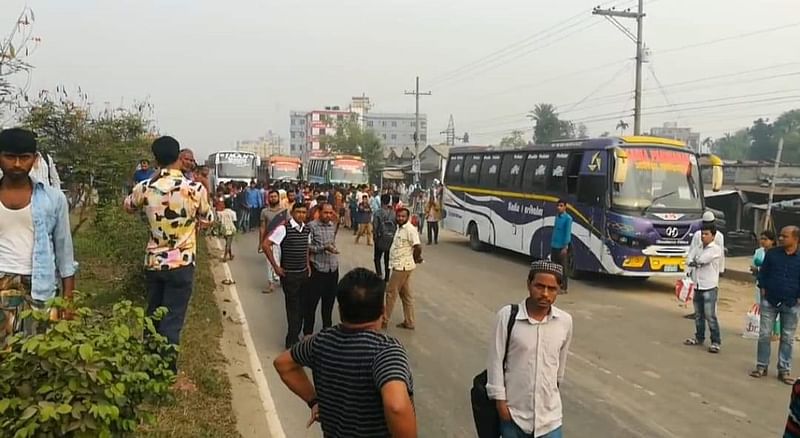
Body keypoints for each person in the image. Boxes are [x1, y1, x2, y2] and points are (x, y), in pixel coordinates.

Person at [273, 268, 416, 438]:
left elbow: (283, 364)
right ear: (383, 311)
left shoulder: (321, 341)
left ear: (340, 310)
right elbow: (396, 406)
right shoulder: (386, 352)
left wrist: (314, 401)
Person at [124, 136, 212, 371]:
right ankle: (165, 369)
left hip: (154, 262)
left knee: (152, 315)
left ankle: (148, 363)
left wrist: (151, 180)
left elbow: (128, 207)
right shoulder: (194, 189)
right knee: (172, 319)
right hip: (182, 263)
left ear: (155, 159)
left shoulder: (145, 187)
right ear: (178, 158)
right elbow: (209, 218)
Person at [0, 128, 76, 347]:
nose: (16, 164)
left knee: (38, 356)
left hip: (40, 286)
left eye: (23, 158)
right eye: (9, 157)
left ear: (34, 159)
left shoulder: (53, 198)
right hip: (3, 282)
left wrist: (67, 301)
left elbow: (64, 252)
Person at [486, 260, 572, 438]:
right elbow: (495, 361)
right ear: (528, 284)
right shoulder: (508, 316)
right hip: (514, 416)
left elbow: (559, 368)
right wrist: (501, 403)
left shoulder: (565, 321)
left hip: (550, 419)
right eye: (539, 286)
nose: (545, 294)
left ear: (559, 290)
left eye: (552, 288)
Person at [751, 226, 800, 385]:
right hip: (770, 301)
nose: (780, 238)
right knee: (764, 334)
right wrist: (763, 289)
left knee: (787, 338)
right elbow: (763, 274)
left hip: (791, 303)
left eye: (784, 236)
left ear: (795, 239)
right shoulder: (772, 254)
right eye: (780, 235)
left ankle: (784, 370)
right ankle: (761, 366)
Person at [263, 202, 311, 349]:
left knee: (303, 307)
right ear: (293, 212)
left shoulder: (306, 229)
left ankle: (295, 336)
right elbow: (266, 244)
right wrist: (276, 267)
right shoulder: (284, 229)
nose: (301, 215)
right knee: (293, 308)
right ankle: (291, 340)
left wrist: (307, 264)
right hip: (289, 275)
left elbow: (306, 247)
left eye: (304, 212)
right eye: (298, 212)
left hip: (303, 273)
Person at [682, 225, 724, 353]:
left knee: (710, 316)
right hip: (698, 285)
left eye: (706, 234)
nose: (703, 236)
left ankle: (716, 341)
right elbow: (689, 259)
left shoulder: (716, 249)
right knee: (699, 315)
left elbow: (702, 260)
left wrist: (695, 261)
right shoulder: (698, 247)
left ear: (713, 235)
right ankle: (699, 337)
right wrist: (694, 262)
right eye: (702, 234)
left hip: (709, 286)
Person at [383, 208, 422, 330]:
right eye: (398, 216)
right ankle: (409, 321)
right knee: (406, 295)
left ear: (407, 217)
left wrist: (415, 258)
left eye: (403, 216)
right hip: (400, 265)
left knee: (390, 293)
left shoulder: (410, 230)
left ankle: (384, 321)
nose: (400, 218)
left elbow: (418, 247)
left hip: (402, 267)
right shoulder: (399, 228)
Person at [304, 203, 340, 335]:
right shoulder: (311, 227)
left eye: (331, 213)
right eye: (326, 213)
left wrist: (332, 249)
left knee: (329, 304)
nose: (329, 215)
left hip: (332, 269)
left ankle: (327, 333)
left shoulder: (332, 226)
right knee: (311, 304)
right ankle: (308, 333)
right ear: (319, 212)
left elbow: (332, 241)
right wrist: (323, 248)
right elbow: (307, 247)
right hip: (317, 270)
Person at [684, 211, 726, 319]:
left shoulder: (700, 234)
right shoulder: (716, 235)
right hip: (707, 268)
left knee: (707, 291)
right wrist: (721, 269)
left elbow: (692, 252)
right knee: (704, 291)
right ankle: (703, 313)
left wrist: (688, 268)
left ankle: (703, 313)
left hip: (707, 266)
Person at [752, 230, 780, 340]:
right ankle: (765, 331)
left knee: (775, 307)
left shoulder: (777, 253)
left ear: (772, 241)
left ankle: (776, 332)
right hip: (761, 283)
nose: (762, 241)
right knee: (762, 307)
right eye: (761, 238)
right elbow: (754, 266)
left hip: (774, 284)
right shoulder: (758, 252)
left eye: (765, 239)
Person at [260, 189, 286, 294]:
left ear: (278, 198)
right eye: (271, 197)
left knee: (282, 260)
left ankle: (281, 279)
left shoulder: (284, 211)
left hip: (282, 241)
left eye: (275, 196)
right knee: (270, 262)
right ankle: (270, 283)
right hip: (269, 240)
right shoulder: (264, 212)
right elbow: (262, 227)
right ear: (268, 198)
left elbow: (287, 225)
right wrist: (261, 242)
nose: (273, 198)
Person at [550, 200, 573, 293]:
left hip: (562, 247)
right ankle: (555, 285)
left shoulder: (568, 218)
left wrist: (565, 247)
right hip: (554, 245)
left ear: (565, 207)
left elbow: (567, 233)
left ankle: (563, 287)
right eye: (558, 205)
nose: (558, 207)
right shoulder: (557, 217)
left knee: (563, 267)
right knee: (554, 267)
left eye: (561, 206)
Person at [373, 194, 396, 282]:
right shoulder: (393, 213)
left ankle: (379, 274)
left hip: (380, 238)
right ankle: (387, 278)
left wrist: (375, 237)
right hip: (390, 238)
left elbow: (375, 226)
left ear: (381, 201)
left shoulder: (378, 212)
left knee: (377, 258)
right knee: (387, 259)